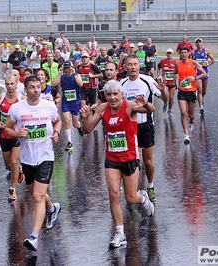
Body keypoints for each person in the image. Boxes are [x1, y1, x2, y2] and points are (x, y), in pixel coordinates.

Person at [79, 80, 155, 249]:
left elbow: (151, 110)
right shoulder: (103, 108)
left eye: (115, 94)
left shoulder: (129, 106)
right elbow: (86, 129)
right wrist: (84, 119)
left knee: (130, 198)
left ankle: (142, 199)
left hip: (130, 158)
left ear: (121, 94)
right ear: (105, 96)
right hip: (111, 159)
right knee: (114, 194)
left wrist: (147, 104)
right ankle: (120, 233)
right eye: (109, 95)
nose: (112, 98)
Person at [4, 76, 62, 252]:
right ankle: (52, 208)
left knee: (37, 196)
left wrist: (57, 133)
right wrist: (17, 133)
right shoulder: (16, 109)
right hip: (27, 159)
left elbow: (57, 121)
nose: (36, 90)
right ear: (26, 89)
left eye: (38, 87)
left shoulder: (49, 106)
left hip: (45, 156)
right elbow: (6, 128)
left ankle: (34, 237)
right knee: (36, 194)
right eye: (32, 87)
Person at [120, 55, 167, 203]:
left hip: (145, 126)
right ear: (125, 67)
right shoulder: (121, 84)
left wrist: (163, 89)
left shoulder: (148, 81)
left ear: (139, 66)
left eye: (135, 64)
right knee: (131, 161)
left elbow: (165, 99)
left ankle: (150, 186)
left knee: (147, 161)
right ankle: (133, 190)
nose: (133, 67)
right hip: (129, 128)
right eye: (130, 64)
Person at [0, 74, 25, 202]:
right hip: (4, 134)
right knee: (8, 165)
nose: (10, 86)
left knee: (14, 162)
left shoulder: (22, 99)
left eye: (12, 84)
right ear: (5, 84)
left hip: (16, 135)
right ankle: (19, 170)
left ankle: (12, 189)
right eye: (7, 84)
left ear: (17, 84)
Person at [174, 47, 207, 144]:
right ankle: (186, 135)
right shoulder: (177, 64)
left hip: (192, 91)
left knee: (191, 115)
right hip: (182, 92)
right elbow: (175, 73)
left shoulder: (193, 63)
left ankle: (191, 122)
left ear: (188, 53)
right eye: (182, 52)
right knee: (183, 112)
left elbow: (204, 73)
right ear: (179, 54)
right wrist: (175, 77)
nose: (184, 54)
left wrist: (194, 78)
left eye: (185, 52)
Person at [51, 60, 84, 151]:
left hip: (76, 102)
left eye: (68, 68)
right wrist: (59, 73)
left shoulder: (76, 75)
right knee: (66, 120)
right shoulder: (62, 76)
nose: (67, 70)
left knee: (74, 123)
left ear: (71, 68)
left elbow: (80, 84)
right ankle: (69, 142)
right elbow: (53, 84)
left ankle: (78, 126)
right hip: (66, 103)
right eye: (65, 68)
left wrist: (74, 73)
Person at [193, 38, 215, 115]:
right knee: (199, 89)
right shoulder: (193, 53)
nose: (198, 44)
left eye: (200, 42)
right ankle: (201, 107)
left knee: (204, 91)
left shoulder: (206, 51)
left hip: (205, 72)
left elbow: (213, 60)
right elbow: (190, 61)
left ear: (202, 43)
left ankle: (202, 97)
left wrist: (208, 64)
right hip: (197, 73)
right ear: (195, 44)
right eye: (197, 42)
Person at [157, 48, 177, 117]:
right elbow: (158, 68)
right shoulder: (162, 61)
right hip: (165, 83)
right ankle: (165, 103)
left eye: (170, 53)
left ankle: (170, 110)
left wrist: (177, 75)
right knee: (165, 94)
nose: (169, 55)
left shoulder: (175, 62)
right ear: (166, 54)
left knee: (171, 98)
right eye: (168, 53)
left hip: (172, 83)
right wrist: (159, 75)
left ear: (172, 54)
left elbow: (178, 71)